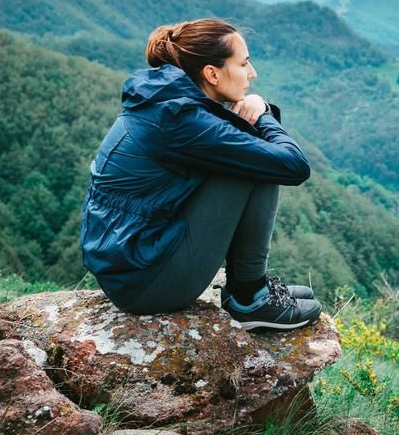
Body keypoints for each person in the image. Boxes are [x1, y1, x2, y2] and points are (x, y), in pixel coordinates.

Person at [79, 18, 322, 330]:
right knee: (252, 163)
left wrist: (257, 110)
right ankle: (250, 298)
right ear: (212, 73)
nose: (252, 74)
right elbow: (293, 165)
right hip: (145, 281)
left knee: (248, 154)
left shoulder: (167, 99)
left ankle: (249, 288)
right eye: (244, 64)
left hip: (130, 261)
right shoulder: (181, 120)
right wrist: (262, 115)